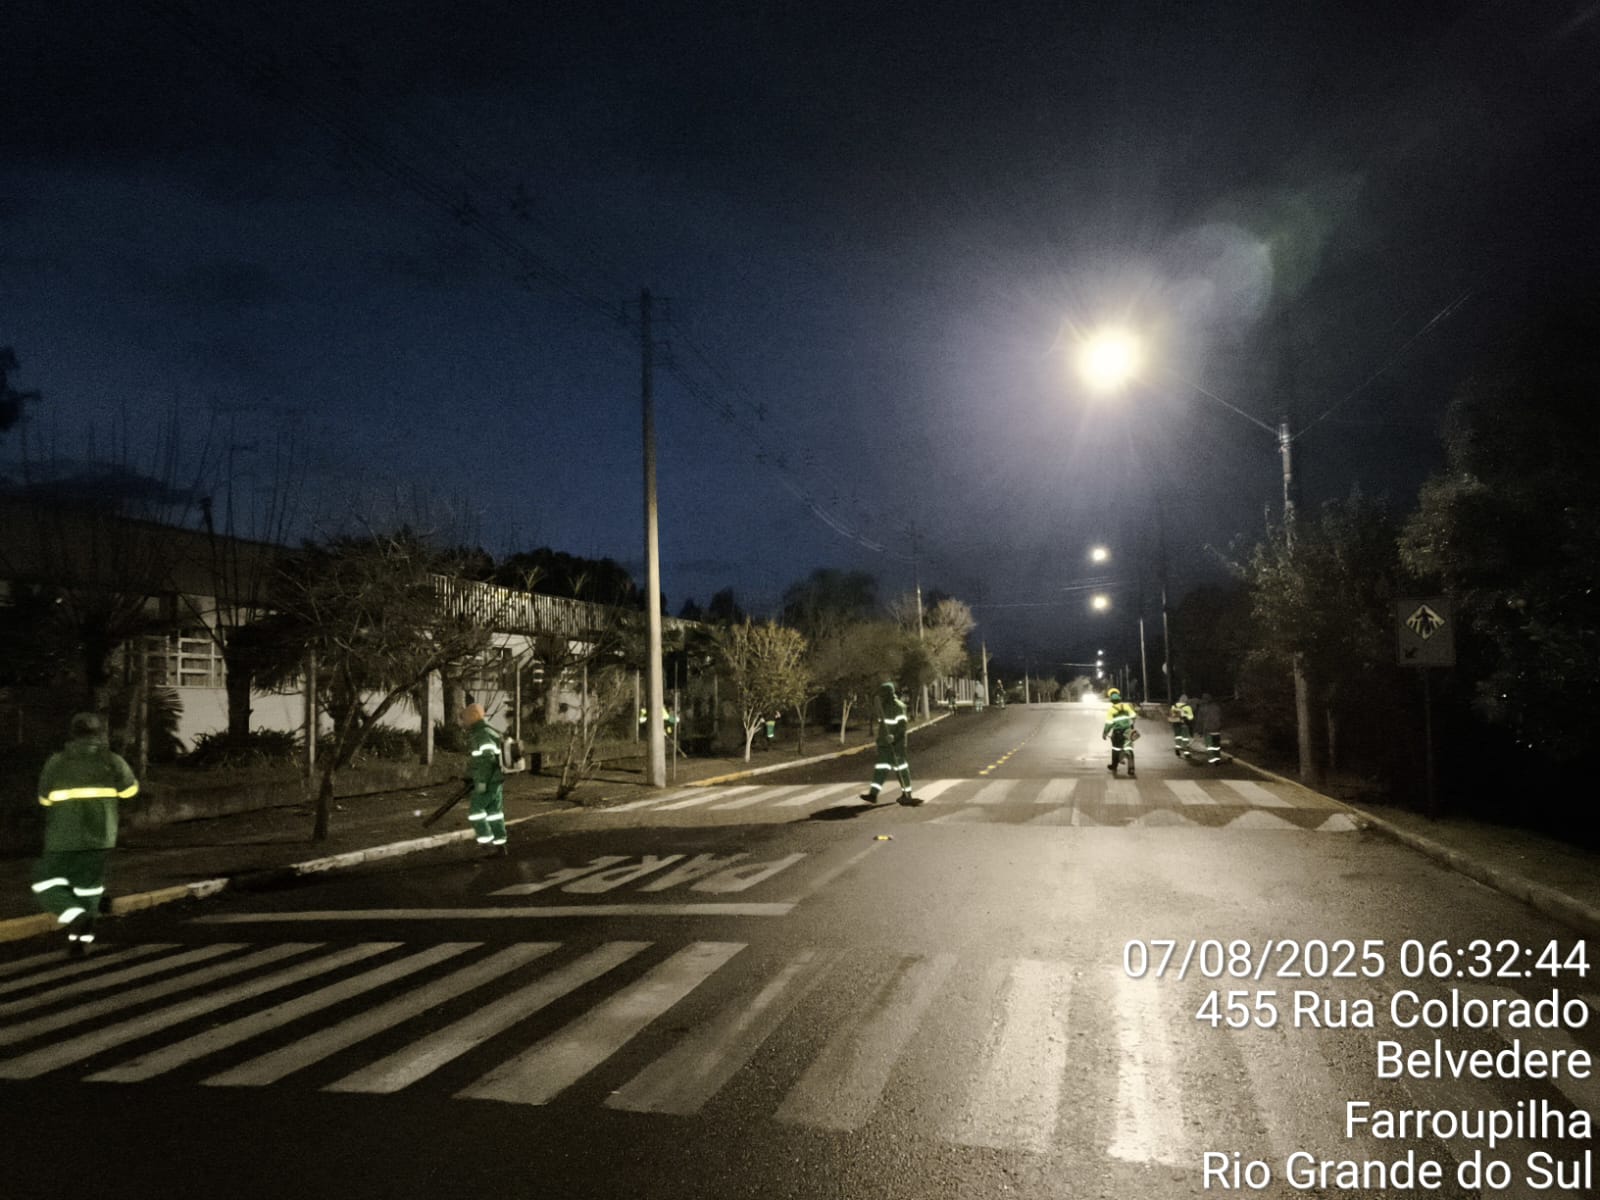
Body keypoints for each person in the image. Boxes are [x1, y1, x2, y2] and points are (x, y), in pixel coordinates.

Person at [32, 712, 139, 957]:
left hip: (63, 836)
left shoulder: (57, 762)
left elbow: (44, 798)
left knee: (45, 882)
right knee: (89, 888)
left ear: (73, 734)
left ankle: (75, 916)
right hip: (100, 835)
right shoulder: (112, 760)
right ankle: (80, 937)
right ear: (99, 734)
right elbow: (129, 791)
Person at [460, 702, 507, 855]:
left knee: (476, 811)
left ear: (474, 716)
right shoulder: (490, 731)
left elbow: (486, 761)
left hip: (487, 781)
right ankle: (500, 845)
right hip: (496, 780)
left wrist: (480, 782)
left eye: (465, 717)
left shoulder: (481, 734)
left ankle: (487, 845)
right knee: (495, 813)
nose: (464, 721)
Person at [861, 681, 918, 805]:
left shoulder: (899, 706)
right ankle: (873, 794)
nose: (881, 697)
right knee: (880, 769)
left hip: (897, 745)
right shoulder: (883, 706)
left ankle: (907, 794)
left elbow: (902, 728)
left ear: (888, 694)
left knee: (901, 769)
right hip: (884, 744)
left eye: (883, 694)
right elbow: (882, 723)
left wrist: (894, 737)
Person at [1101, 687, 1140, 778]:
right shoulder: (1126, 706)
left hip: (1117, 733)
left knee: (1116, 749)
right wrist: (1131, 725)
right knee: (1129, 749)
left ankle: (1114, 765)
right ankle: (1131, 769)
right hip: (1127, 731)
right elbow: (1134, 716)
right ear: (1120, 699)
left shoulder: (1111, 710)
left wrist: (1105, 733)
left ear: (1111, 700)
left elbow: (1109, 723)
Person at [1194, 693, 1225, 764]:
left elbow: (1200, 721)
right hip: (1216, 729)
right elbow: (1221, 718)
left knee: (1209, 745)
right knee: (1216, 745)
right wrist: (1220, 726)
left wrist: (1199, 731)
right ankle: (1217, 758)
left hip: (1207, 730)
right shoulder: (1217, 707)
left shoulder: (1202, 708)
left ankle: (1212, 759)